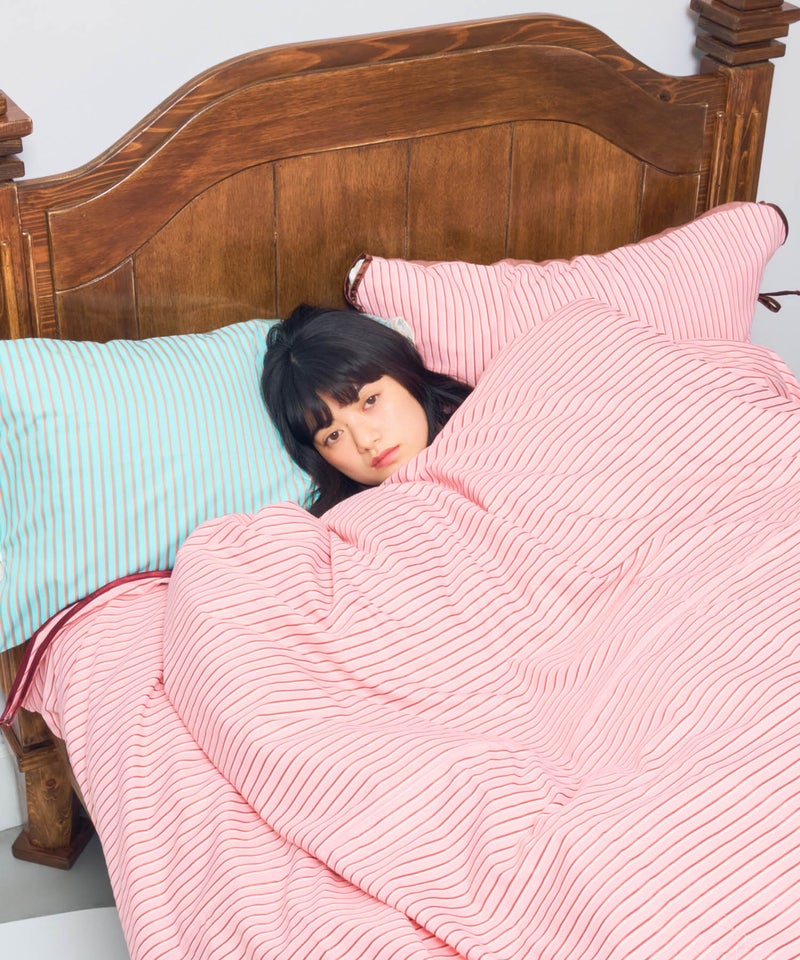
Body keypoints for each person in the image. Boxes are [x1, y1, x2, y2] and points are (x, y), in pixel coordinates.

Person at [262, 304, 473, 516]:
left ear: (402, 371)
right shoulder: (339, 524)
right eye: (333, 435)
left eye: (370, 401)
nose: (365, 441)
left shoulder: (486, 416)